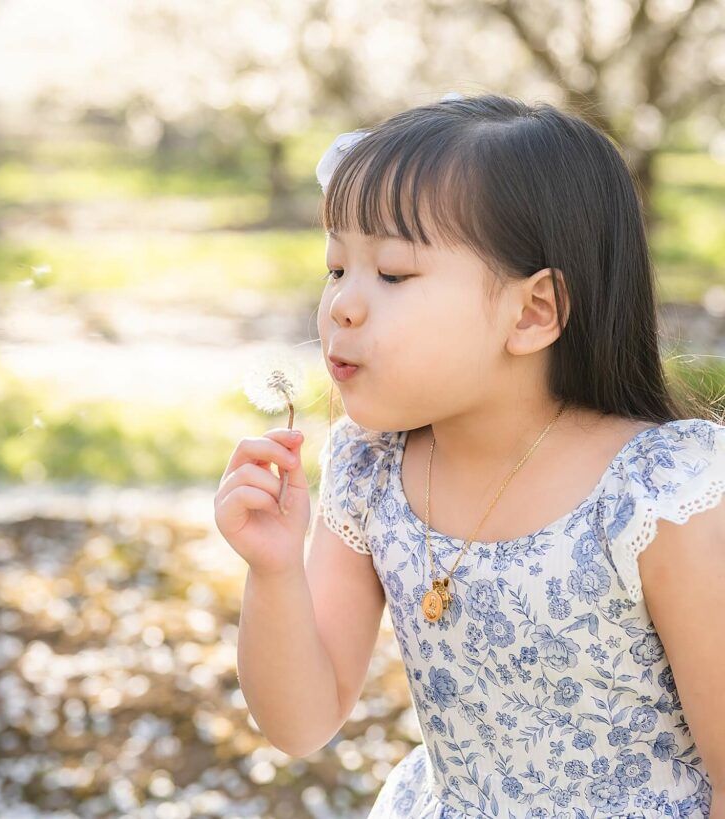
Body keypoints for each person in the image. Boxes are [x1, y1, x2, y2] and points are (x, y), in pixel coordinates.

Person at [214, 93, 725, 818]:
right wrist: (271, 569)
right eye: (336, 269)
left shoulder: (657, 493)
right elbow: (302, 720)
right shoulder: (370, 469)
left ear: (533, 311)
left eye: (392, 274)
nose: (341, 307)